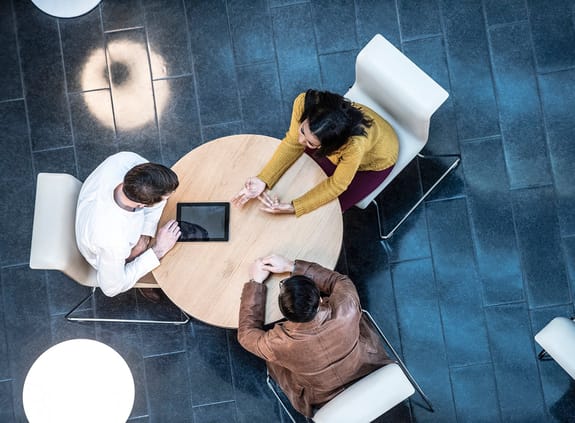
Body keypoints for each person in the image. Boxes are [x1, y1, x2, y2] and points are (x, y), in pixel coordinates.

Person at [237, 254, 393, 417]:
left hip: (320, 397)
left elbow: (246, 334)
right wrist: (291, 266)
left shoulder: (279, 343)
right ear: (319, 299)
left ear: (285, 313)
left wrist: (255, 283)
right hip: (367, 365)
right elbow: (338, 281)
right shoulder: (347, 305)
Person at [231, 89, 399, 217]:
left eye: (310, 143)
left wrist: (295, 207)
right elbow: (292, 142)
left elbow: (336, 185)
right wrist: (264, 179)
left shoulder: (353, 146)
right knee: (295, 176)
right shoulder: (304, 102)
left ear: (330, 146)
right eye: (303, 130)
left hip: (374, 162)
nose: (301, 141)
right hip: (338, 146)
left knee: (328, 212)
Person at [75, 151, 181, 299]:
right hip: (108, 257)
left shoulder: (124, 160)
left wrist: (144, 237)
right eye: (166, 197)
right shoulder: (113, 241)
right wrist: (158, 250)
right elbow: (111, 288)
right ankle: (146, 281)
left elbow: (154, 200)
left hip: (92, 218)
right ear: (143, 205)